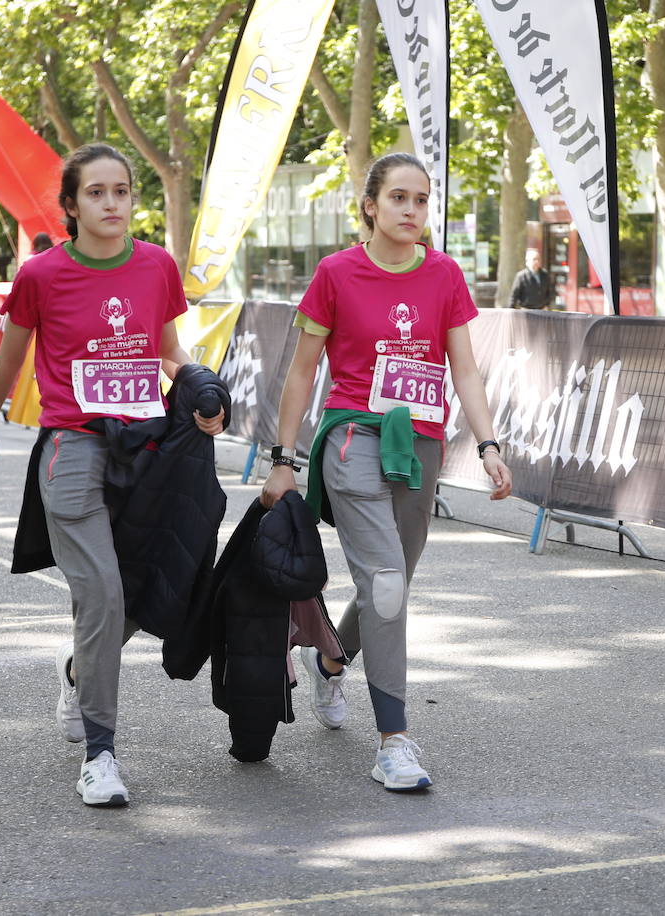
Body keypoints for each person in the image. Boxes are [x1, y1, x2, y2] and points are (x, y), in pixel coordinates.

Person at [0, 142, 225, 807]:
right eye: (97, 193)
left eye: (122, 191)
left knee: (129, 593)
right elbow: (10, 361)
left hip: (146, 446)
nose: (113, 204)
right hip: (73, 447)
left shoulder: (157, 267)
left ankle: (82, 667)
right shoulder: (42, 276)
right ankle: (101, 755)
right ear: (73, 205)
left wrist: (199, 389)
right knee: (105, 594)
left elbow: (168, 354)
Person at [260, 151, 513, 792]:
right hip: (352, 439)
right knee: (388, 582)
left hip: (420, 445)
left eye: (422, 200)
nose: (412, 211)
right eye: (399, 198)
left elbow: (465, 370)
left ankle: (330, 657)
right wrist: (283, 458)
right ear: (370, 206)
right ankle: (394, 742)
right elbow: (301, 371)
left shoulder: (445, 275)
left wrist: (488, 446)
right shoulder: (335, 274)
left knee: (392, 578)